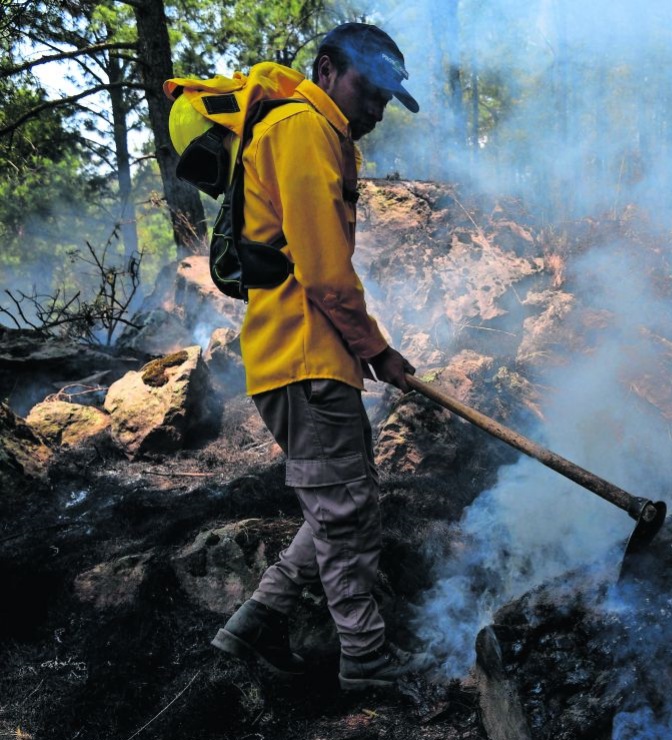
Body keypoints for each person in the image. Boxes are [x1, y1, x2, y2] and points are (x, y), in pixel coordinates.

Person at [207, 22, 424, 692]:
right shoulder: (304, 125)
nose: (378, 108)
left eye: (389, 97)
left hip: (305, 358)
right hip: (304, 357)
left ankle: (256, 621)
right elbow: (324, 270)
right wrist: (379, 351)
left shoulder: (311, 132)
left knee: (339, 507)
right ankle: (366, 659)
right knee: (349, 513)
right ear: (327, 70)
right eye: (370, 87)